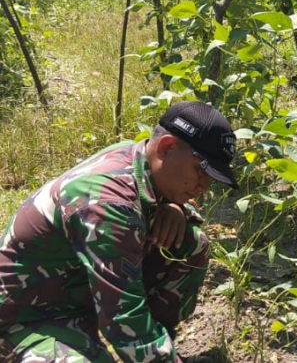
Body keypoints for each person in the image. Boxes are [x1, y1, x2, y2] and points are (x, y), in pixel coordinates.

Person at [0, 101, 238, 363]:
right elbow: (124, 315)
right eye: (200, 171)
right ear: (167, 147)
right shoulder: (107, 203)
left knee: (190, 243)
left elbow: (166, 200)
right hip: (27, 320)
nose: (204, 187)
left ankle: (156, 346)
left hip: (80, 297)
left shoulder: (138, 157)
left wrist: (176, 208)